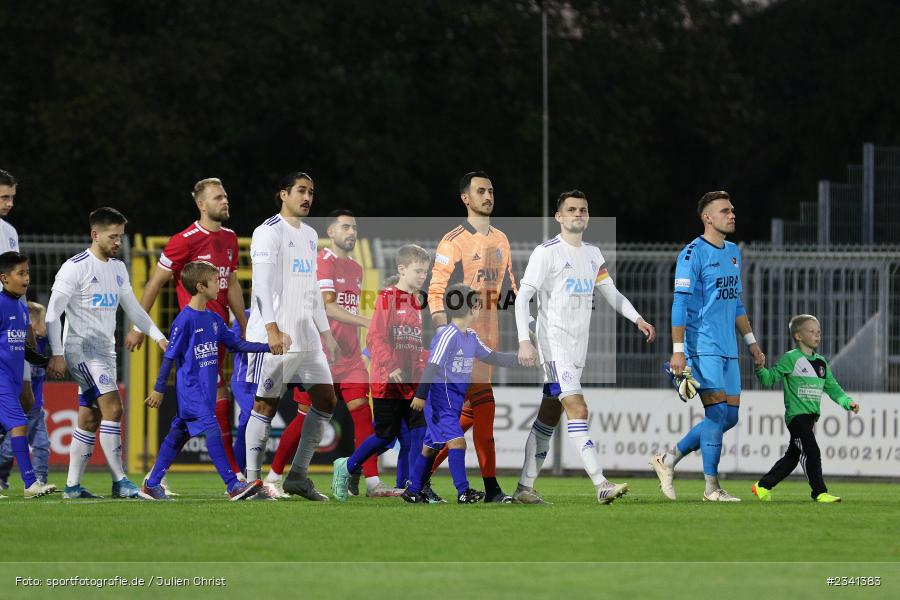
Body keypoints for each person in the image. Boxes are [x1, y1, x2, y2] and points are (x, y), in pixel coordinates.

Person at [515, 190, 656, 505]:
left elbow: (611, 292)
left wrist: (638, 319)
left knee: (549, 415)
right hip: (553, 343)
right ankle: (601, 484)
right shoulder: (546, 252)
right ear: (559, 217)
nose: (578, 214)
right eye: (571, 209)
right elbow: (523, 298)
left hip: (578, 348)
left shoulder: (593, 253)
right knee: (578, 408)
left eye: (583, 209)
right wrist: (525, 339)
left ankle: (524, 488)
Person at [264, 210, 396, 497]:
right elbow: (328, 307)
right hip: (319, 355)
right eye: (345, 227)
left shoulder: (357, 268)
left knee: (363, 416)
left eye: (355, 227)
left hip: (349, 358)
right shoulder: (320, 262)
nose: (352, 232)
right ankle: (273, 477)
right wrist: (368, 322)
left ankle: (373, 482)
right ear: (331, 232)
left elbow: (344, 309)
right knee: (302, 419)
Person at [125, 178, 246, 476]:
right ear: (201, 205)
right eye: (218, 197)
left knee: (189, 416)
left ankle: (154, 480)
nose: (225, 201)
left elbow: (231, 284)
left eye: (226, 196)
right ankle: (235, 477)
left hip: (219, 333)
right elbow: (155, 283)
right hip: (195, 337)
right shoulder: (185, 240)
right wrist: (139, 326)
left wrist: (246, 324)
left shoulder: (230, 238)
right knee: (216, 401)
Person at [45, 207, 169, 499]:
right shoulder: (75, 267)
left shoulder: (117, 268)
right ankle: (121, 481)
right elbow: (52, 315)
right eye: (112, 236)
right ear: (94, 234)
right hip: (81, 350)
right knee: (114, 408)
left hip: (105, 352)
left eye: (120, 236)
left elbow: (134, 309)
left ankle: (72, 487)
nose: (117, 242)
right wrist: (58, 353)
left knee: (89, 418)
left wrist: (157, 336)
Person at [649, 190, 764, 502]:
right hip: (702, 346)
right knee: (716, 414)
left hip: (729, 348)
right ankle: (712, 488)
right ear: (707, 218)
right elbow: (679, 305)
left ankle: (668, 459)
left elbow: (737, 303)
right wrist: (678, 349)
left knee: (731, 417)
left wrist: (752, 344)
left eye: (733, 210)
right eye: (725, 211)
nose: (732, 214)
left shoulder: (732, 252)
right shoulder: (691, 254)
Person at [142, 261, 277, 501]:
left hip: (204, 391)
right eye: (215, 281)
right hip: (191, 391)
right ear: (201, 286)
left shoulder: (213, 318)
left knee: (178, 434)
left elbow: (237, 344)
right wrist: (158, 389)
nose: (220, 285)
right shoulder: (184, 321)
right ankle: (233, 484)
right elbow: (169, 357)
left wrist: (269, 347)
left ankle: (152, 484)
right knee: (212, 428)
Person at [243, 172, 338, 501]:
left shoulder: (311, 235)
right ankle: (253, 483)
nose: (308, 197)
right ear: (283, 193)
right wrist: (271, 329)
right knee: (265, 404)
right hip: (276, 333)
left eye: (311, 191)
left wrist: (326, 333)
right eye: (301, 190)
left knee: (326, 399)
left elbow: (311, 288)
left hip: (306, 334)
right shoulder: (267, 232)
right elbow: (262, 285)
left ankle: (297, 476)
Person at [427, 171, 518, 503]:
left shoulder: (502, 239)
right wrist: (444, 332)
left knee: (465, 417)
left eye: (491, 190)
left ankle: (419, 479)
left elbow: (513, 289)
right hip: (462, 345)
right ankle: (492, 488)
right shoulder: (454, 240)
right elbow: (436, 290)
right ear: (465, 198)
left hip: (488, 342)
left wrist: (527, 328)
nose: (488, 195)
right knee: (485, 407)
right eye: (481, 191)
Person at [402, 284, 525, 504]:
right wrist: (421, 396)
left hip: (454, 401)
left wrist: (521, 358)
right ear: (472, 306)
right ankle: (463, 491)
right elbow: (432, 366)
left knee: (430, 448)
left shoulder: (470, 336)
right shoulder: (448, 335)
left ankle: (413, 490)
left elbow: (492, 357)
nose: (480, 308)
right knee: (457, 443)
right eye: (478, 304)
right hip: (440, 401)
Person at [330, 244, 430, 502]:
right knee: (385, 436)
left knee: (417, 434)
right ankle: (348, 466)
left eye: (425, 272)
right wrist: (391, 366)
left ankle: (412, 487)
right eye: (418, 271)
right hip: (387, 381)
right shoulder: (387, 297)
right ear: (402, 269)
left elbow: (415, 344)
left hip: (410, 382)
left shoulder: (416, 303)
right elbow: (375, 337)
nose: (423, 277)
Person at [752, 315, 857, 503]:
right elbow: (769, 379)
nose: (817, 335)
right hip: (796, 417)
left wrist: (847, 402)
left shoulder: (822, 363)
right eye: (812, 331)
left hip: (809, 419)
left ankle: (762, 486)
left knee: (793, 457)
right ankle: (819, 492)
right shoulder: (791, 358)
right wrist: (760, 368)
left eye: (819, 332)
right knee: (812, 451)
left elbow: (834, 389)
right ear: (798, 336)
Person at [0, 252, 56, 498]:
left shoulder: (22, 309)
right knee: (19, 424)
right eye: (20, 273)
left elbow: (22, 348)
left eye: (28, 273)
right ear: (4, 278)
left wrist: (46, 361)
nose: (26, 278)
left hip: (12, 380)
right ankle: (30, 484)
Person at [0, 170, 40, 443]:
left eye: (12, 197)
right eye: (4, 197)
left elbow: (18, 279)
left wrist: (26, 322)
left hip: (11, 327)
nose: (10, 203)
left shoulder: (9, 232)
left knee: (25, 398)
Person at [0, 302, 51, 489]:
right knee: (7, 448)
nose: (48, 325)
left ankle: (39, 480)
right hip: (22, 404)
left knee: (41, 444)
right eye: (44, 320)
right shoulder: (18, 344)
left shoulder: (43, 344)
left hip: (36, 407)